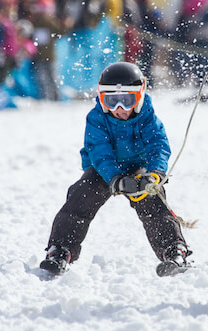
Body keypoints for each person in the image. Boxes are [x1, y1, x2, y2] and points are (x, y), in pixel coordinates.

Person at [40, 61, 190, 277]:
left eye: (127, 100)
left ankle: (173, 249)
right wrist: (115, 178)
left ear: (139, 97)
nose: (119, 108)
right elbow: (99, 152)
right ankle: (61, 249)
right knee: (81, 196)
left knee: (153, 201)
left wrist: (156, 174)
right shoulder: (97, 117)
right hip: (105, 170)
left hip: (138, 168)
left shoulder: (147, 116)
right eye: (111, 100)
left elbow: (159, 145)